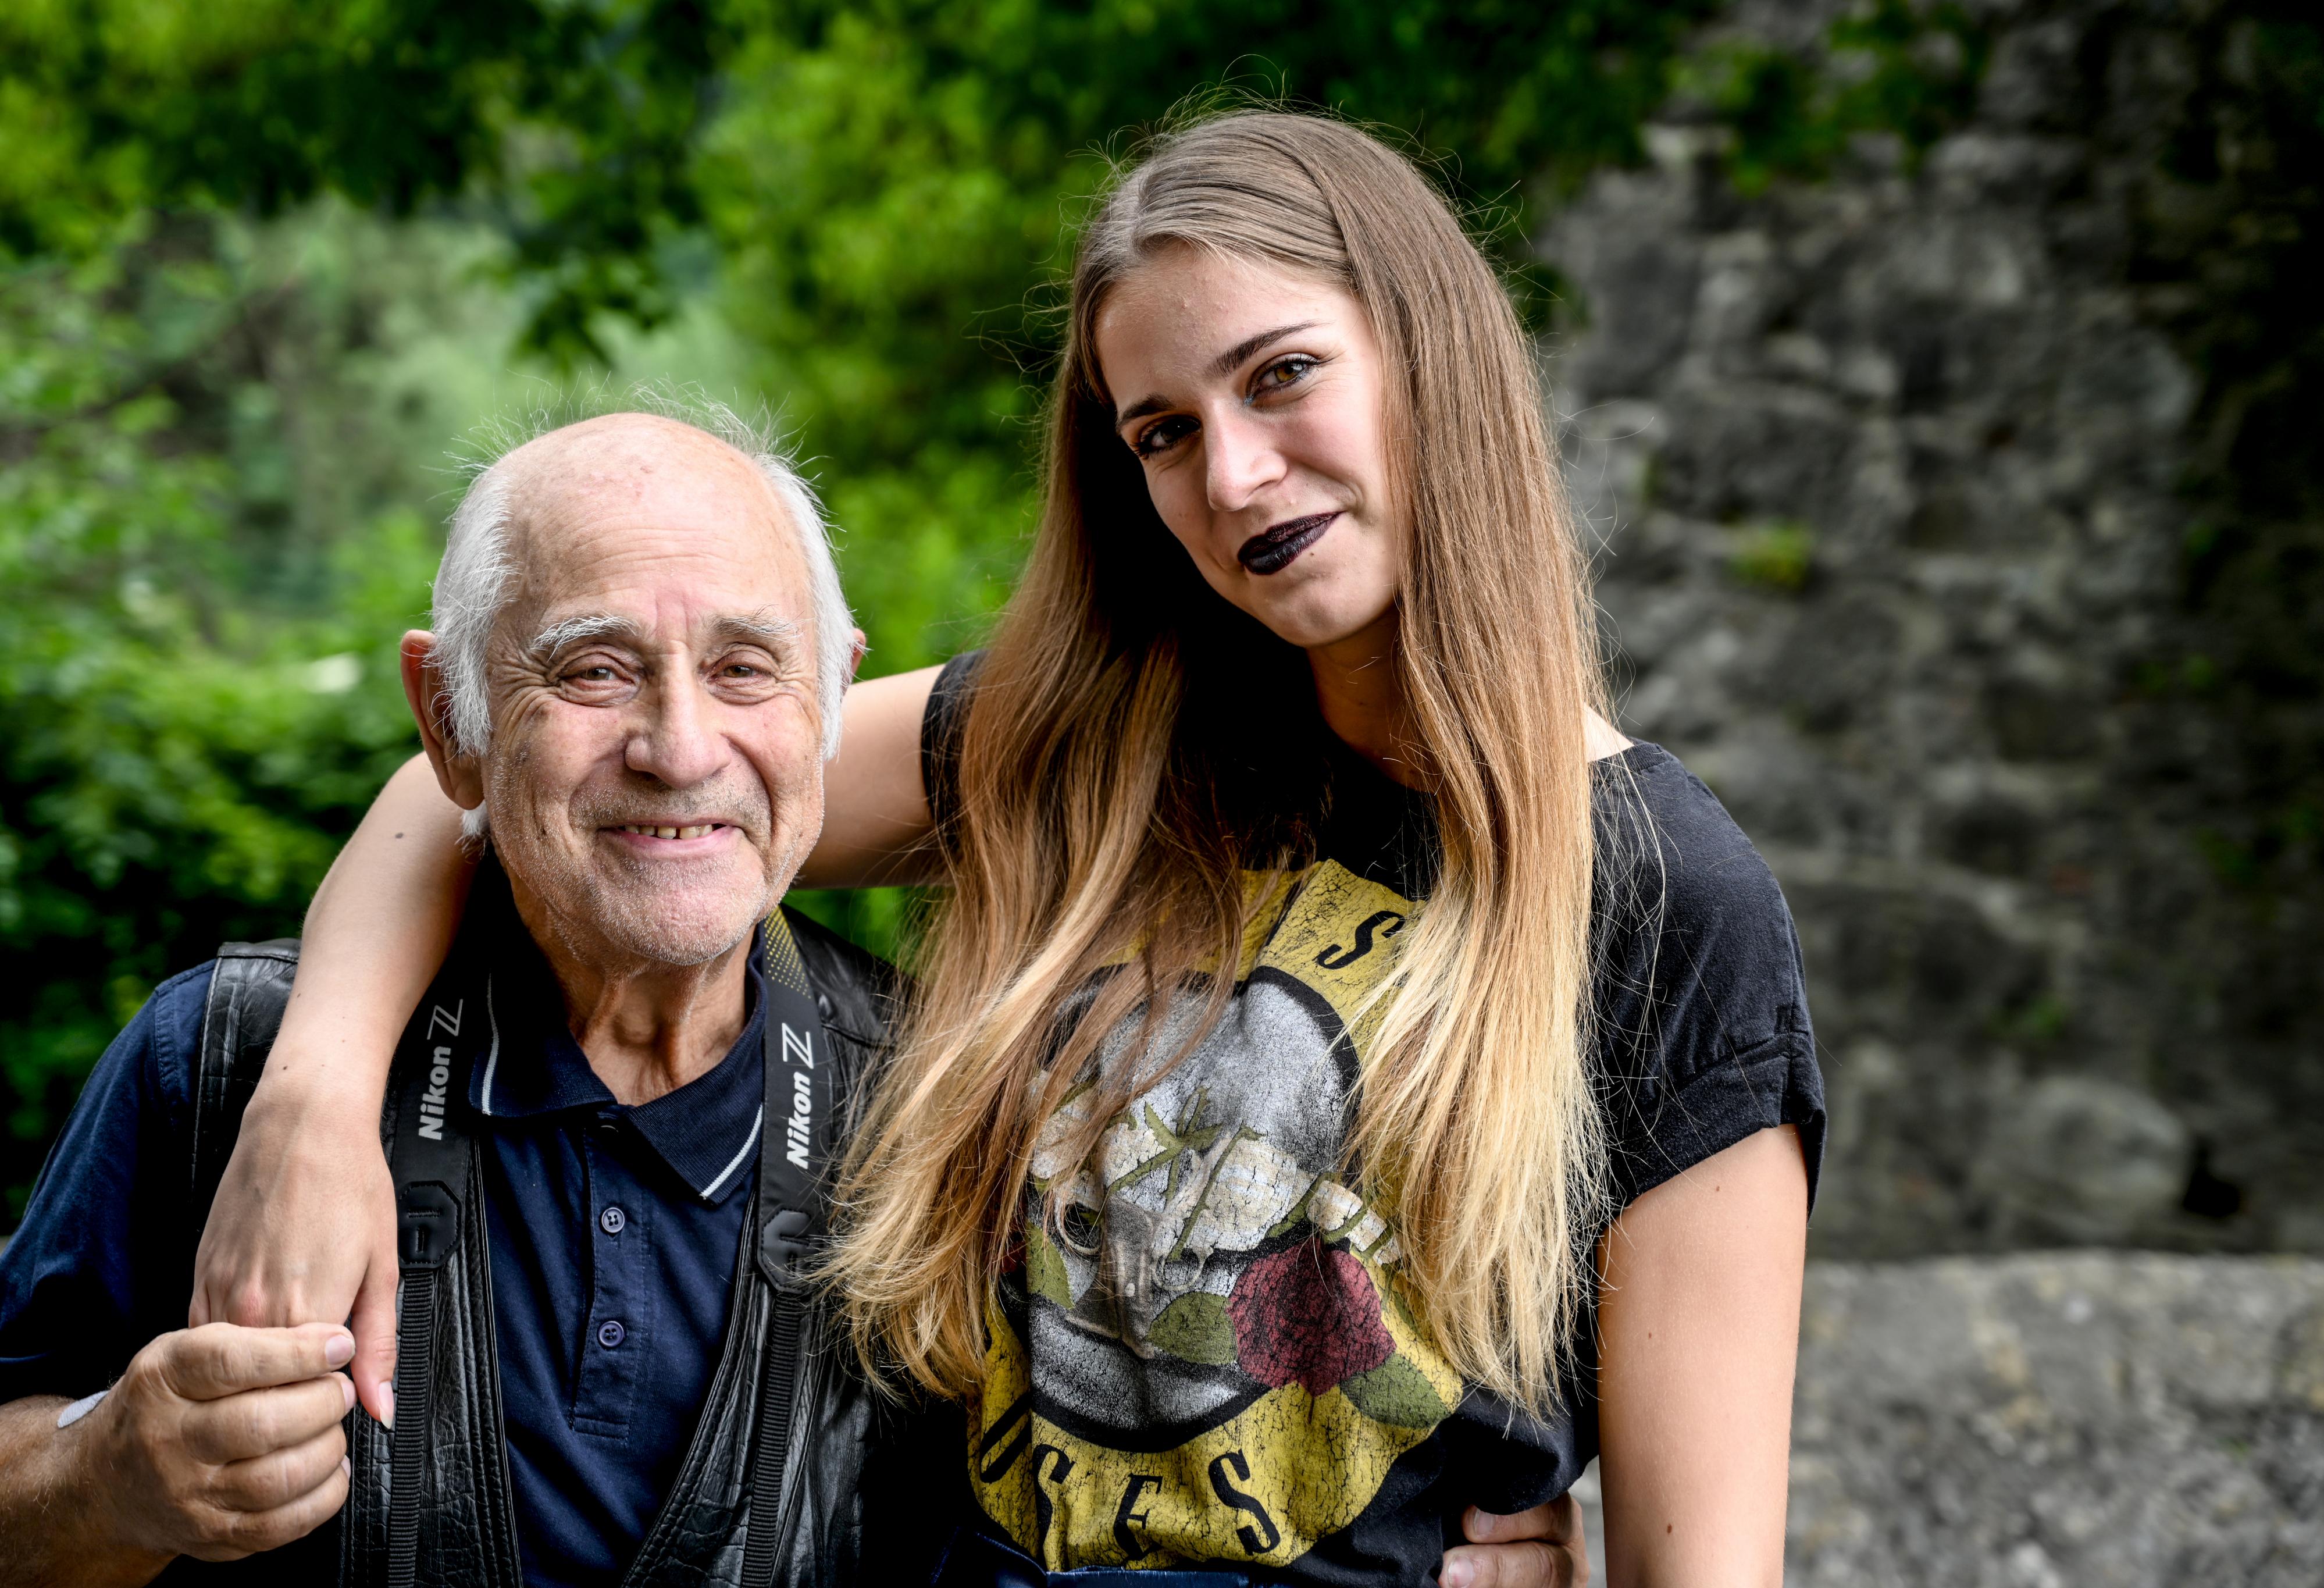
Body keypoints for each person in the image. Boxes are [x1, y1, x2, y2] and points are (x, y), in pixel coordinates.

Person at [191, 111, 1825, 1586]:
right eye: (1161, 431)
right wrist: (314, 1096)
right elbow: (499, 782)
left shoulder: (1665, 902)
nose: (1232, 474)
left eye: (1280, 375)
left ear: (1430, 355)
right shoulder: (1092, 743)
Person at [0, 405, 901, 1585]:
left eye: (744, 668)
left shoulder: (933, 1104)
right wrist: (105, 1476)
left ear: (833, 698)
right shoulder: (221, 1057)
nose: (680, 749)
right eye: (594, 669)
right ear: (447, 718)